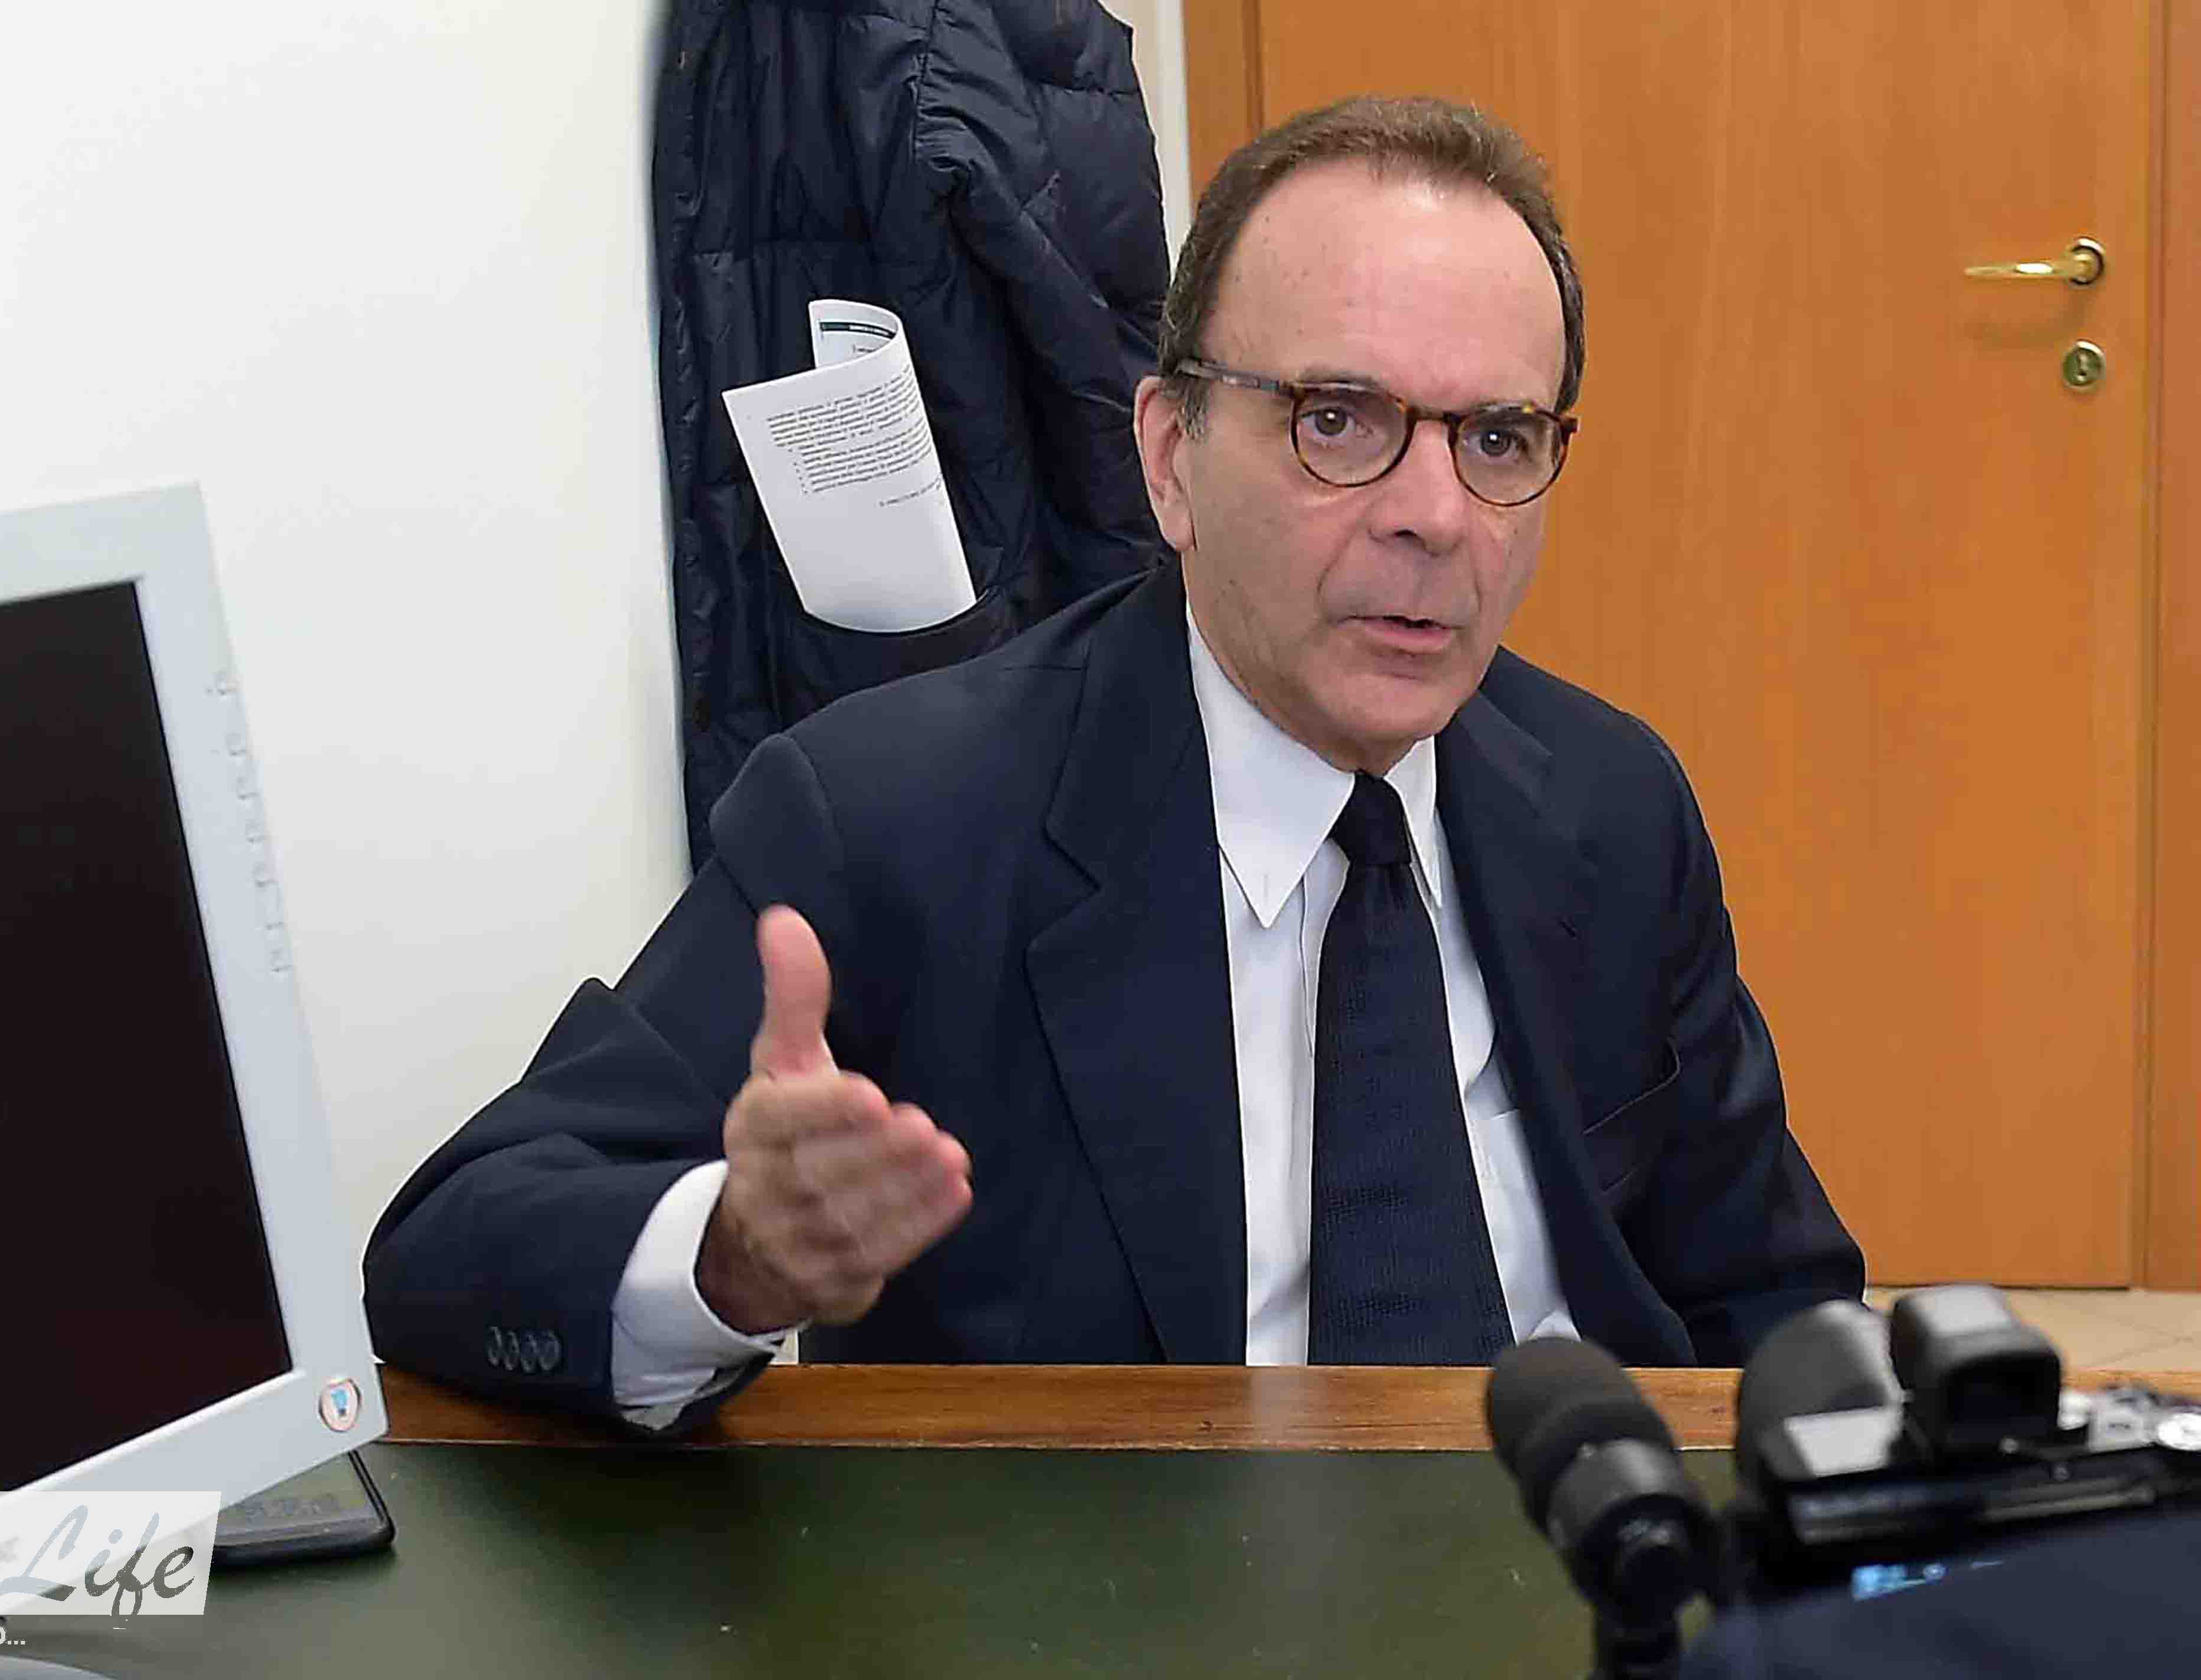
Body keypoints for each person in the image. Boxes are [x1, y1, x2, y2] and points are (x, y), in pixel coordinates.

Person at [364, 94, 1863, 1431]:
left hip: (1575, 1554)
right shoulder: (897, 813)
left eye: (1497, 439)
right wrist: (732, 1257)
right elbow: (456, 1244)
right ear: (1168, 457)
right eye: (1337, 420)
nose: (1434, 515)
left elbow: (1771, 1296)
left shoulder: (1607, 800)